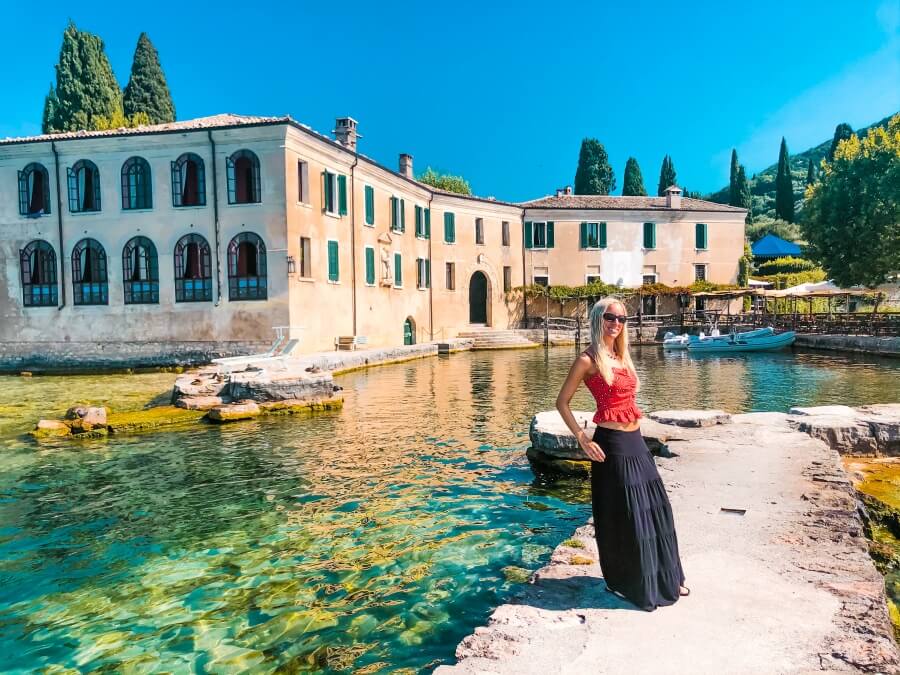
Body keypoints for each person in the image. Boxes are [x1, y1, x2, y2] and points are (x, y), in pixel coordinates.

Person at [556, 296, 689, 610]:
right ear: (598, 319)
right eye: (610, 317)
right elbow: (562, 401)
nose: (616, 324)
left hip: (636, 442)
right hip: (611, 447)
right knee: (626, 517)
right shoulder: (588, 360)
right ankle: (629, 583)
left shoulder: (622, 357)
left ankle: (666, 578)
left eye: (622, 319)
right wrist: (582, 438)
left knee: (657, 510)